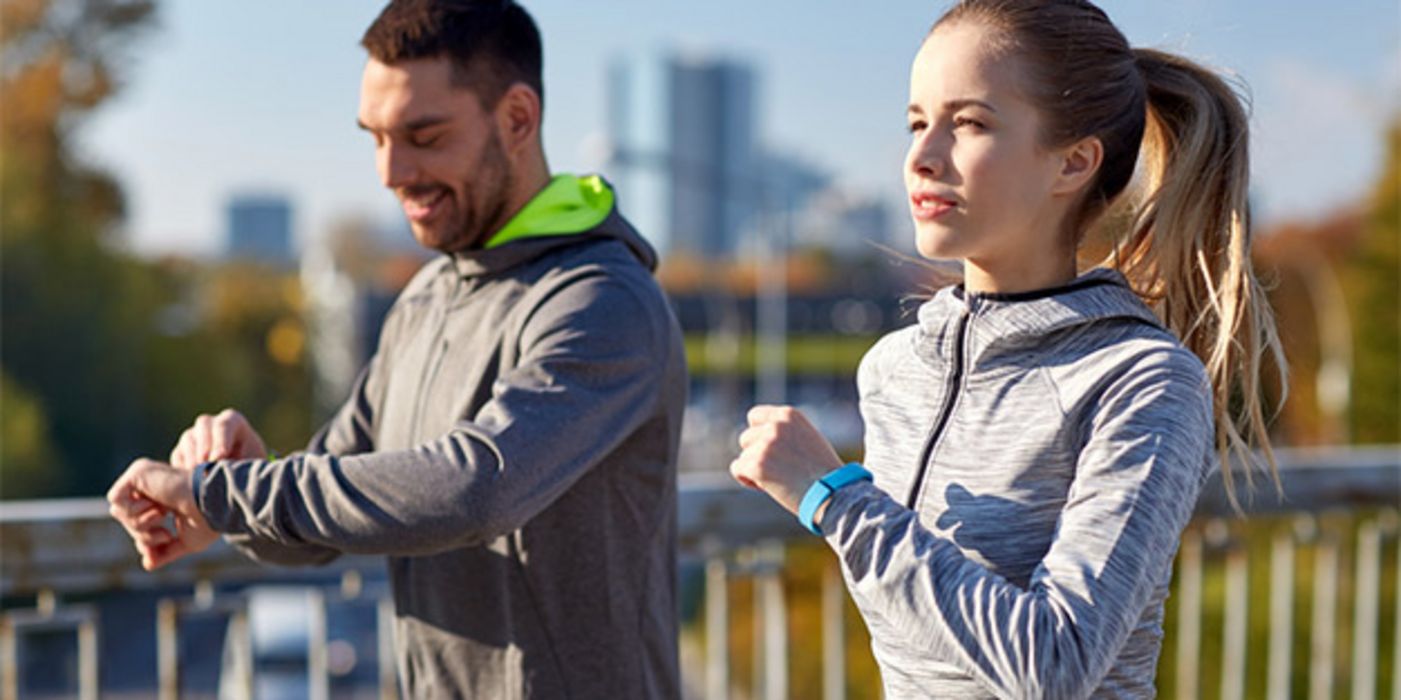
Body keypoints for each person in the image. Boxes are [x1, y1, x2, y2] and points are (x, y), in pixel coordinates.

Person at [106, 1, 687, 696]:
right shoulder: (424, 301)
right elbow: (329, 511)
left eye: (424, 135)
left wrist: (230, 496)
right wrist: (227, 496)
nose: (390, 171)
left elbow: (476, 488)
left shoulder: (602, 301)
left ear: (518, 119)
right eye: (376, 138)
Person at [729, 1, 1285, 697]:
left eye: (968, 124)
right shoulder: (892, 372)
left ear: (1073, 162)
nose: (922, 158)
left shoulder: (1140, 380)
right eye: (915, 122)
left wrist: (834, 498)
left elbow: (1054, 663)